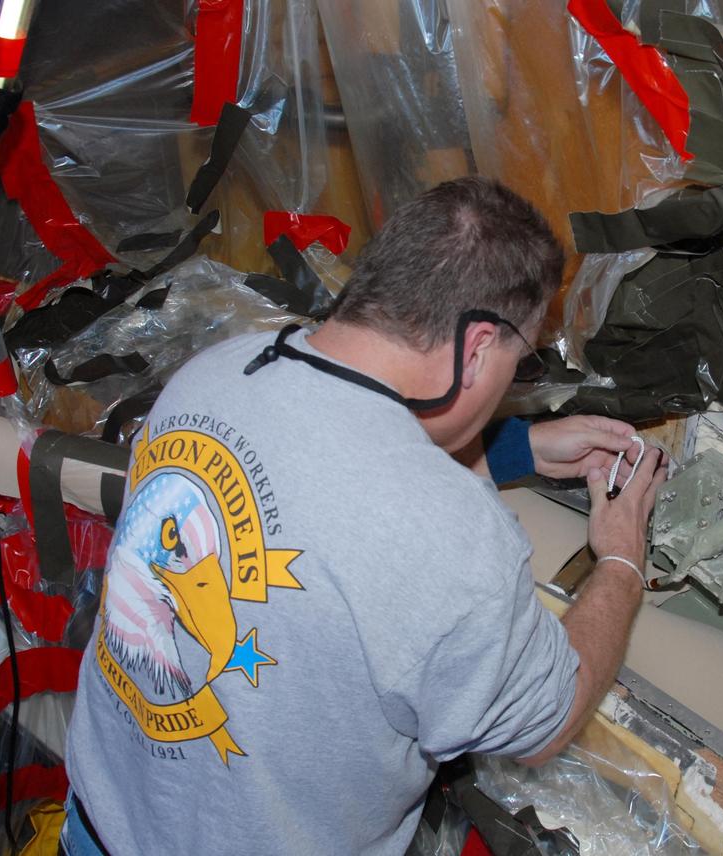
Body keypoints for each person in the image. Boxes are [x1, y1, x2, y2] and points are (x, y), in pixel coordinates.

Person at [63, 176, 667, 854]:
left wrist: (516, 447)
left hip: (103, 814)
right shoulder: (455, 540)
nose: (511, 380)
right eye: (517, 359)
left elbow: (331, 485)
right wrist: (619, 561)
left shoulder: (222, 368)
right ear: (476, 348)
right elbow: (550, 719)